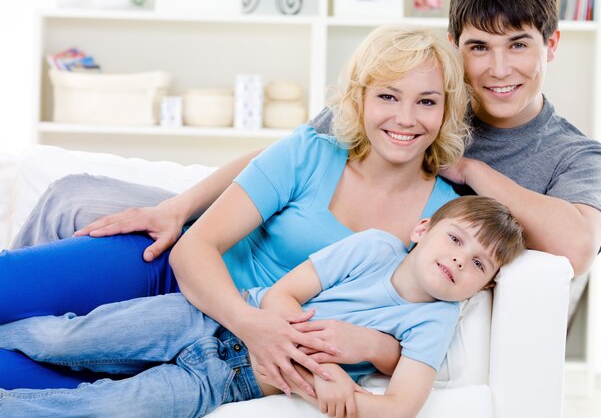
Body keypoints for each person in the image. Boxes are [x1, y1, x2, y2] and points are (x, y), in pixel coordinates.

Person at [7, 0, 601, 390]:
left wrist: (475, 170)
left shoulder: (536, 166)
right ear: (456, 48)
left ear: (550, 45)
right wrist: (180, 206)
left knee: (53, 360)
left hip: (232, 323)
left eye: (519, 45)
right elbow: (290, 154)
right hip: (204, 261)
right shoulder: (409, 92)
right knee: (70, 202)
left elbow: (577, 246)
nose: (498, 68)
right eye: (479, 46)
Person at [0, 24, 470, 394]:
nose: (406, 118)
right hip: (164, 272)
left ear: (446, 111)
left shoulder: (448, 222)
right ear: (360, 98)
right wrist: (253, 325)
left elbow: (411, 328)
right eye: (388, 95)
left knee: (27, 380)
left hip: (219, 357)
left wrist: (373, 347)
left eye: (426, 102)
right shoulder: (312, 152)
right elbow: (195, 247)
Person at [0, 197, 525, 417]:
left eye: (479, 265)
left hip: (226, 381)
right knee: (66, 340)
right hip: (207, 317)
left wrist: (340, 394)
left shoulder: (435, 320)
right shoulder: (373, 247)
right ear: (423, 230)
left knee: (104, 408)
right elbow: (283, 292)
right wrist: (285, 335)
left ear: (481, 289)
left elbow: (401, 406)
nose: (460, 262)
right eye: (456, 240)